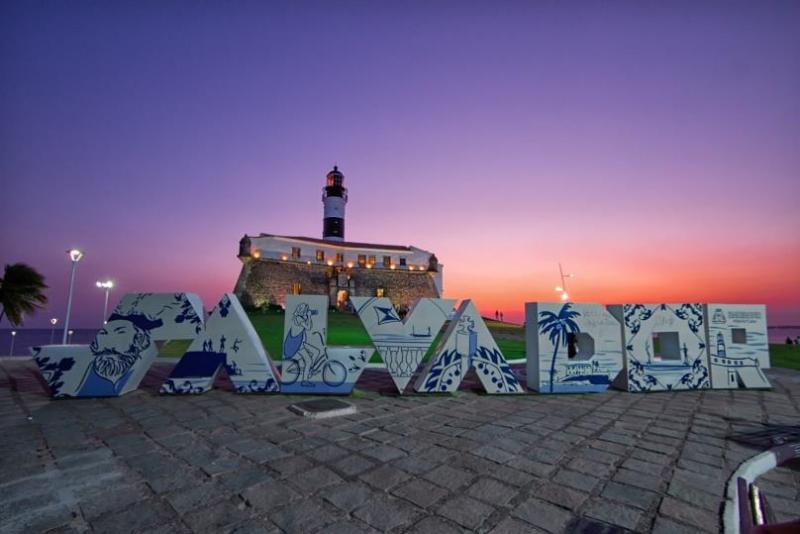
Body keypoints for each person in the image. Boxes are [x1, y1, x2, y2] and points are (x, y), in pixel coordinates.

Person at [78, 312, 163, 396]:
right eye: (103, 333)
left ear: (139, 339)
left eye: (120, 332)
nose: (108, 343)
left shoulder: (148, 373)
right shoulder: (81, 373)